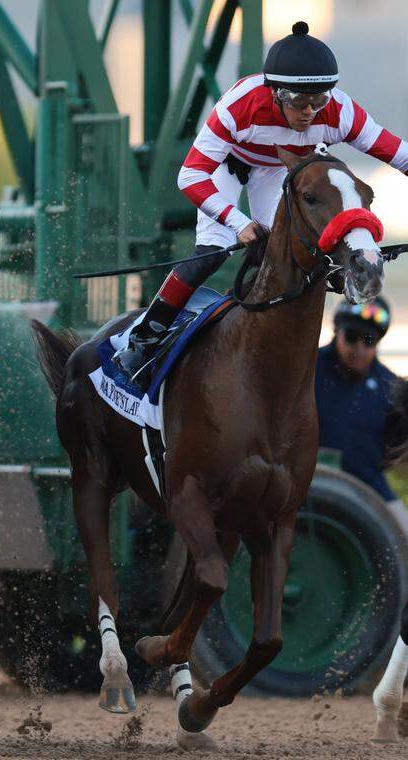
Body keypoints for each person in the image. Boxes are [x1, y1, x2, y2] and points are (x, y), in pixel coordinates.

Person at [114, 21, 408, 379]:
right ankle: (146, 337)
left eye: (320, 101)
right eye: (300, 102)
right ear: (275, 94)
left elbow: (400, 155)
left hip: (276, 171)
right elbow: (190, 175)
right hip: (228, 165)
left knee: (294, 253)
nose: (310, 113)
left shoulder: (342, 112)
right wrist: (239, 223)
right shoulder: (241, 105)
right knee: (214, 251)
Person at [316, 298, 406, 506]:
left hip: (369, 489)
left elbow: (396, 449)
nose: (359, 347)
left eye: (368, 340)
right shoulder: (307, 369)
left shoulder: (391, 386)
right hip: (308, 484)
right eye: (351, 336)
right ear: (337, 332)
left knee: (403, 534)